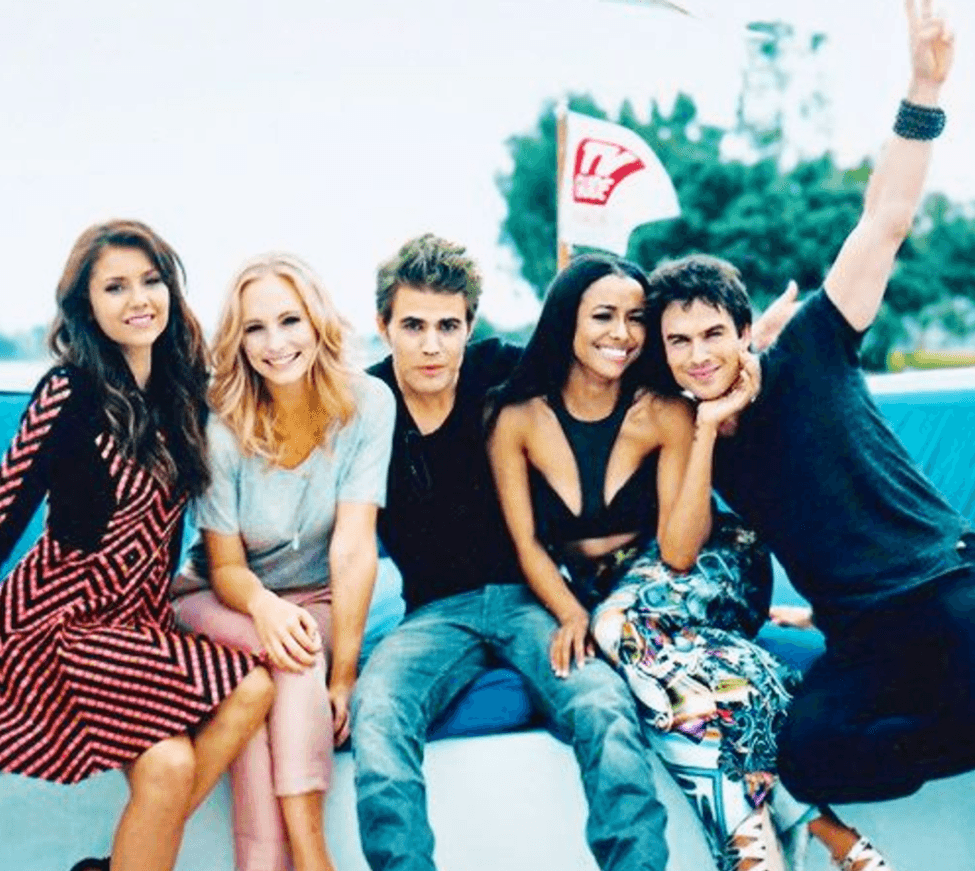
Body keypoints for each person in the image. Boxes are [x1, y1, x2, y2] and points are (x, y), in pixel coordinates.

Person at [642, 0, 973, 818]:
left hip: (943, 584)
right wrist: (707, 430)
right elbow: (678, 549)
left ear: (744, 329)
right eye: (679, 341)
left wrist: (925, 87)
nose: (698, 354)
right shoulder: (698, 433)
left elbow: (885, 219)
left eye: (712, 333)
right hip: (863, 635)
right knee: (810, 756)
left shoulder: (814, 345)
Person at [487, 253, 887, 871]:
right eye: (603, 316)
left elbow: (678, 551)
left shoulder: (664, 409)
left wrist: (703, 428)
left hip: (710, 564)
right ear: (567, 320)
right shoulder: (515, 418)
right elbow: (526, 545)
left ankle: (753, 850)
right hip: (616, 600)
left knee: (618, 631)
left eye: (635, 319)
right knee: (669, 685)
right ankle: (826, 839)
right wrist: (567, 612)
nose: (622, 333)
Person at [350, 233, 670, 871]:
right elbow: (280, 436)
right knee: (377, 712)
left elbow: (598, 354)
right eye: (413, 326)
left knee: (604, 707)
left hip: (535, 599)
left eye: (448, 326)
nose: (432, 345)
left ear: (469, 326)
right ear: (383, 326)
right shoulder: (362, 405)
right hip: (435, 615)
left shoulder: (502, 370)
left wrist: (741, 362)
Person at [0, 219, 274, 871]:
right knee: (169, 764)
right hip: (57, 625)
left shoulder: (185, 396)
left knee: (252, 689)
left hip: (137, 622)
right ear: (86, 306)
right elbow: (3, 511)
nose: (138, 299)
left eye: (150, 281)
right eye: (115, 287)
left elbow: (273, 425)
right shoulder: (67, 392)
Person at [173, 253, 394, 871]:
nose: (275, 343)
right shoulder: (222, 426)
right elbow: (225, 567)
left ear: (317, 321)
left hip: (319, 599)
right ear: (238, 342)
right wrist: (265, 609)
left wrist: (344, 678)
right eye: (255, 328)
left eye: (290, 320)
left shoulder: (367, 404)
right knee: (292, 657)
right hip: (219, 598)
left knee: (279, 671)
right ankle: (315, 857)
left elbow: (354, 548)